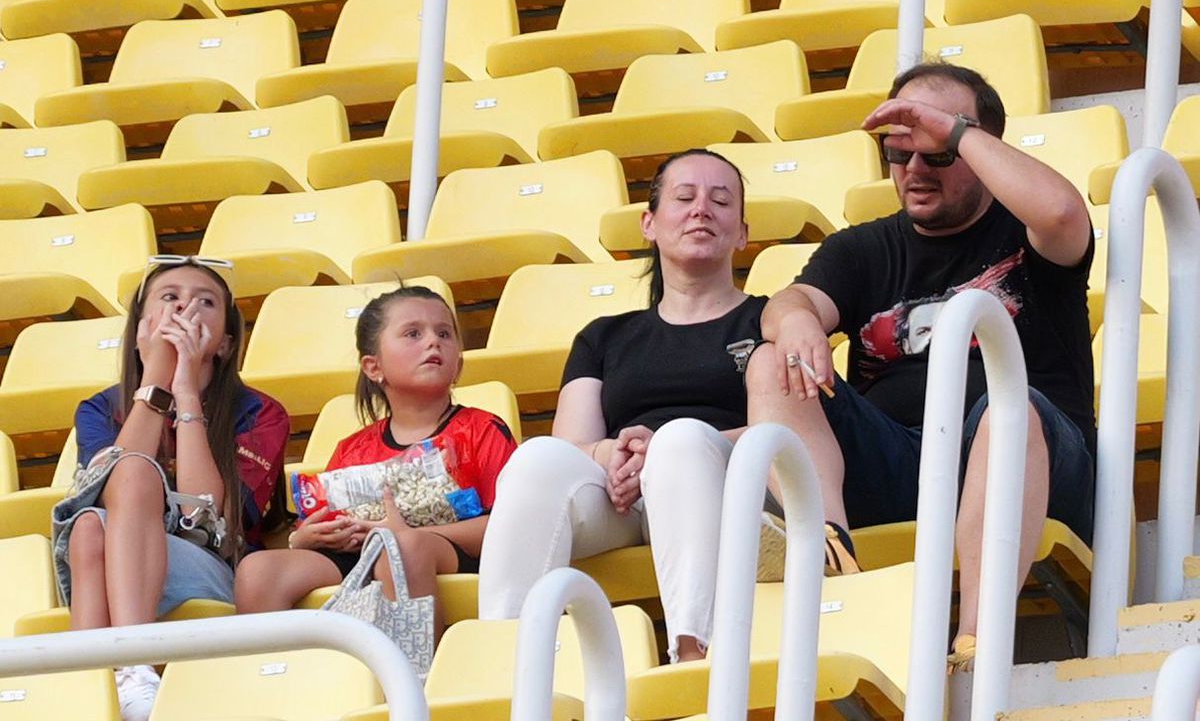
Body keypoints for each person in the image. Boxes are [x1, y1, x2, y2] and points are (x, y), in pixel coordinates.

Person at [746, 62, 1096, 670]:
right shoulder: (862, 247)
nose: (912, 170)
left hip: (1028, 458)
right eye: (897, 152)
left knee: (1006, 412)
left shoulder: (1026, 230)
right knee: (771, 364)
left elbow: (1066, 215)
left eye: (936, 154)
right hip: (900, 461)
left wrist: (955, 131)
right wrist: (796, 318)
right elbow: (792, 303)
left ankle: (975, 643)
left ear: (982, 149)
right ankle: (831, 554)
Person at [478, 148, 808, 664]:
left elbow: (791, 430)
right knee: (535, 459)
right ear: (649, 224)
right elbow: (570, 447)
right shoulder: (604, 337)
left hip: (734, 486)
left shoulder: (768, 320)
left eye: (720, 201)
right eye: (684, 198)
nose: (701, 209)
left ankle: (696, 659)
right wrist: (618, 453)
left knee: (680, 439)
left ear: (742, 233)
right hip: (627, 495)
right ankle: (503, 664)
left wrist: (665, 446)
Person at [55, 256, 289, 721]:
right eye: (169, 299)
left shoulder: (260, 411)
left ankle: (101, 678)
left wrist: (183, 393)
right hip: (113, 556)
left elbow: (209, 518)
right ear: (142, 329)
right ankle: (109, 682)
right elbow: (111, 492)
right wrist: (155, 382)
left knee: (103, 513)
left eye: (205, 302)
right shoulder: (100, 408)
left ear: (224, 342)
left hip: (213, 564)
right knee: (91, 524)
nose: (185, 312)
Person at [234, 286, 517, 643]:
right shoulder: (352, 449)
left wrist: (403, 535)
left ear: (458, 365)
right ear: (374, 367)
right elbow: (325, 526)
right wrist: (303, 538)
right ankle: (280, 688)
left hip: (449, 552)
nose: (434, 342)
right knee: (258, 570)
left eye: (444, 333)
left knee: (403, 549)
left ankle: (415, 686)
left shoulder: (482, 429)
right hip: (360, 556)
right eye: (414, 333)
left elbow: (510, 525)